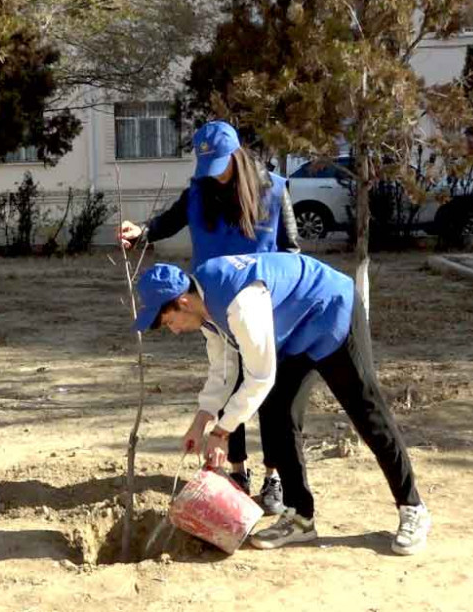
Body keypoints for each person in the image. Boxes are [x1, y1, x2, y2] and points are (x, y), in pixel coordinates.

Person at [133, 254, 431, 555]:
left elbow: (259, 377)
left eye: (170, 322)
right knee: (277, 413)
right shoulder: (206, 309)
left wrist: (222, 432)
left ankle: (412, 507)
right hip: (294, 332)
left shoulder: (240, 303)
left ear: (183, 302)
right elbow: (224, 370)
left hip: (331, 310)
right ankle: (300, 516)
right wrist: (201, 421)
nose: (174, 330)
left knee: (366, 412)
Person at [118, 121, 300, 514]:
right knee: (228, 382)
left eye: (220, 164)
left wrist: (279, 298)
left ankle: (273, 476)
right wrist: (142, 231)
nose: (214, 174)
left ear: (236, 156)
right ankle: (237, 470)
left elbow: (291, 251)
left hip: (264, 307)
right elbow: (169, 220)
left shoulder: (273, 189)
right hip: (214, 305)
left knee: (269, 391)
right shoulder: (199, 191)